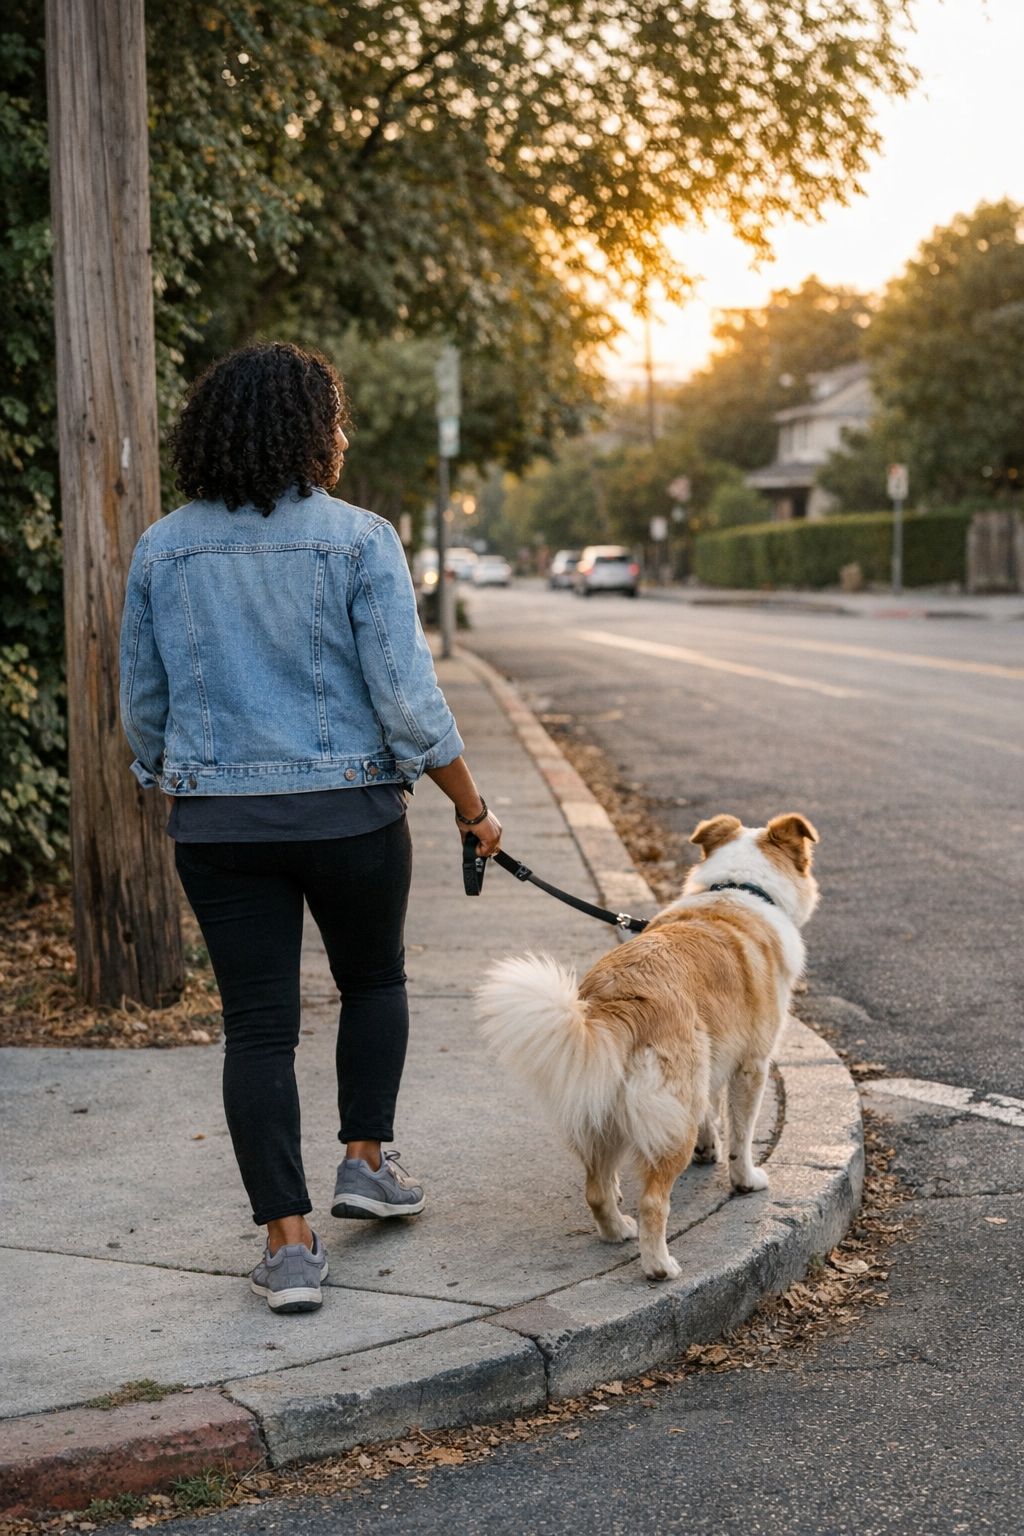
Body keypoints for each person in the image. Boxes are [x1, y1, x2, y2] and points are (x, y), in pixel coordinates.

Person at [119, 341, 501, 1314]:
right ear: (307, 432)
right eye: (334, 418)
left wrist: (175, 779)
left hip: (218, 826)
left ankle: (288, 1247)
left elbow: (144, 705)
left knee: (256, 1028)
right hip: (353, 818)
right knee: (373, 980)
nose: (342, 434)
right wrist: (470, 805)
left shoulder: (164, 547)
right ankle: (365, 1163)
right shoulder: (360, 539)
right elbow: (408, 704)